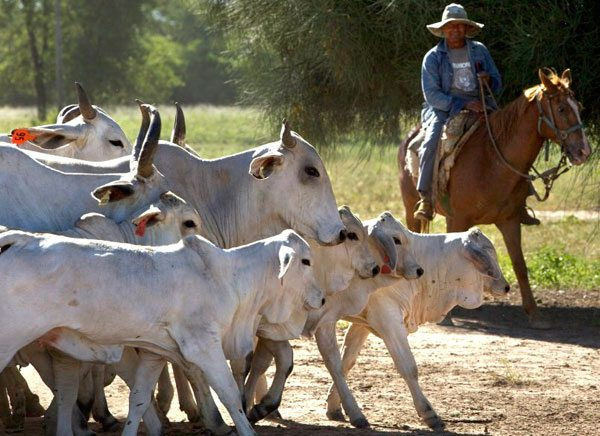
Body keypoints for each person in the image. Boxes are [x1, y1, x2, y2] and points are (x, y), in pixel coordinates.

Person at [415, 3, 540, 225]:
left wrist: (488, 80)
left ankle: (520, 200)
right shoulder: (433, 58)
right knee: (432, 139)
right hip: (444, 108)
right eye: (450, 27)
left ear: (466, 28)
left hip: (482, 103)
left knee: (510, 137)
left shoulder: (479, 50)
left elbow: (497, 80)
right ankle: (425, 197)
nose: (455, 30)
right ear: (443, 30)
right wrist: (462, 103)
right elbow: (432, 95)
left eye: (460, 26)